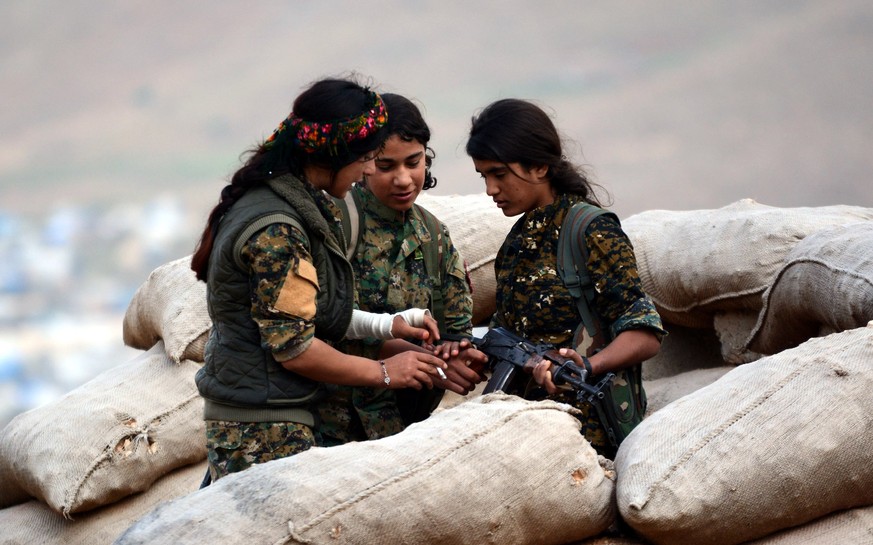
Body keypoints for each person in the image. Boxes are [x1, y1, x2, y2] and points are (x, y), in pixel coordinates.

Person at [190, 77, 455, 481]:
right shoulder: (278, 229)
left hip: (276, 414)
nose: (368, 170)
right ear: (334, 154)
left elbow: (308, 313)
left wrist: (387, 325)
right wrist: (386, 373)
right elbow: (294, 347)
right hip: (263, 427)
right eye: (368, 158)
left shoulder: (297, 205)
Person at [465, 98, 666, 458]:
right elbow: (504, 332)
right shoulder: (516, 243)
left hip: (585, 436)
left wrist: (585, 366)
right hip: (525, 432)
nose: (490, 190)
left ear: (539, 166)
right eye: (484, 176)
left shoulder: (591, 231)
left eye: (499, 174)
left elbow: (645, 334)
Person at [333, 92, 487, 426]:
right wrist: (402, 353)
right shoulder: (335, 222)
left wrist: (455, 357)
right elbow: (307, 330)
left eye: (413, 163)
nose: (403, 179)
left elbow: (456, 331)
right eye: (386, 166)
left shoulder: (434, 238)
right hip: (331, 427)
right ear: (363, 164)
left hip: (403, 432)